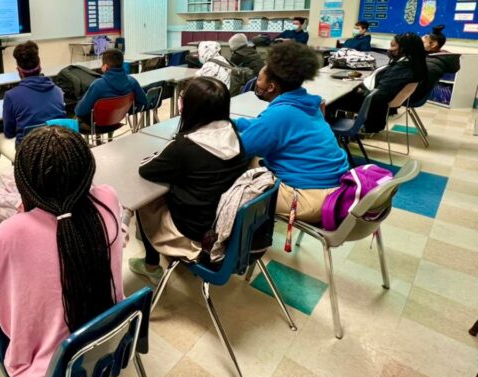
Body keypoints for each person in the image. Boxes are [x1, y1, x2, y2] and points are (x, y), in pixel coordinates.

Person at [0, 126, 123, 377]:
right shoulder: (107, 198)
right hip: (106, 342)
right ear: (87, 172)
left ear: (23, 183)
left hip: (48, 374)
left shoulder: (11, 234)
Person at [129, 77, 249, 283]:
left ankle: (151, 263)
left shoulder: (184, 146)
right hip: (219, 224)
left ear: (190, 107)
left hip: (192, 233)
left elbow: (145, 170)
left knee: (144, 200)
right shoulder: (235, 136)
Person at [233, 42, 349, 223]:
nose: (257, 82)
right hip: (335, 191)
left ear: (271, 87)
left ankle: (241, 244)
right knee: (257, 161)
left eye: (259, 79)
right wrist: (233, 122)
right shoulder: (307, 104)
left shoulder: (280, 114)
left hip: (308, 199)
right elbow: (264, 128)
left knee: (231, 182)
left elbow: (239, 148)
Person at [0, 41, 65, 183]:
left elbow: (9, 132)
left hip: (28, 156)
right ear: (40, 66)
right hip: (57, 150)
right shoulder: (58, 91)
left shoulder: (12, 96)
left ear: (19, 70)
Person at [329, 32, 428, 133]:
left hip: (368, 103)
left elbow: (380, 95)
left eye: (393, 46)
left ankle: (329, 130)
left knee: (330, 99)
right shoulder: (409, 64)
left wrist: (359, 90)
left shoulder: (403, 69)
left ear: (404, 48)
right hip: (370, 98)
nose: (389, 49)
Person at [75, 48, 148, 120]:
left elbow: (80, 112)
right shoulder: (132, 82)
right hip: (119, 120)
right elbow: (144, 101)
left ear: (105, 67)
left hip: (97, 125)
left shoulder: (97, 85)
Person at [411, 25, 461, 105]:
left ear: (433, 44)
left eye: (422, 42)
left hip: (412, 98)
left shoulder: (431, 64)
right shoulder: (431, 58)